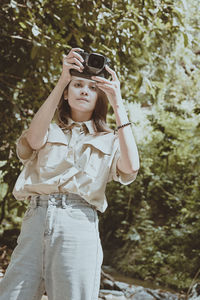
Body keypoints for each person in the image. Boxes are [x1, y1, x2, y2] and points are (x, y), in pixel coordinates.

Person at [0, 47, 140, 300]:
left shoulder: (110, 139)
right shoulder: (48, 129)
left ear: (100, 97)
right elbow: (32, 140)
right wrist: (62, 79)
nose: (85, 90)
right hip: (36, 218)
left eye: (93, 87)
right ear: (67, 92)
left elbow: (131, 168)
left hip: (78, 223)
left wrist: (118, 102)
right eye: (77, 84)